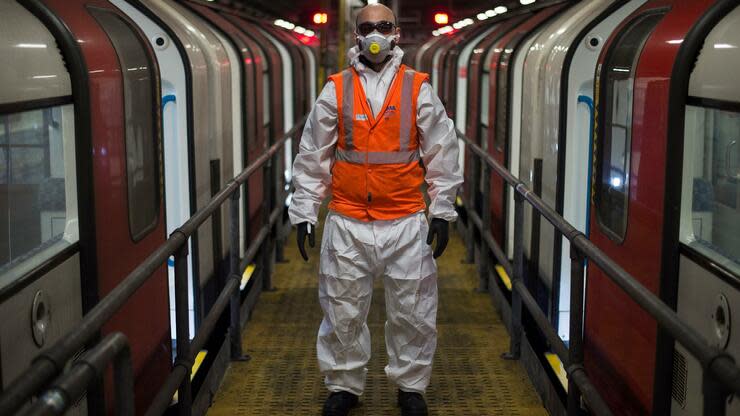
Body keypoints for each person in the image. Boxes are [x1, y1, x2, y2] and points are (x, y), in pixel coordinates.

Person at [288, 4, 462, 416]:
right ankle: (344, 386)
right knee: (342, 308)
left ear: (396, 33)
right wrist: (304, 211)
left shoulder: (418, 88)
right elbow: (313, 153)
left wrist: (441, 210)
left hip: (404, 218)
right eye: (367, 28)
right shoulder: (336, 88)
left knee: (413, 310)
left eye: (383, 26)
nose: (375, 34)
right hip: (348, 218)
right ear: (356, 35)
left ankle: (411, 387)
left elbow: (442, 150)